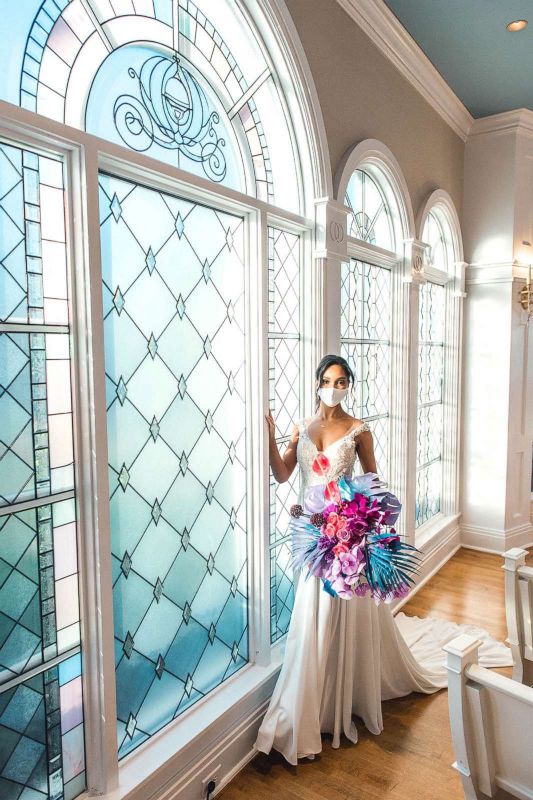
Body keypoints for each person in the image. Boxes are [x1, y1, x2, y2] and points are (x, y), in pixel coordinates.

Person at [254, 353, 512, 765]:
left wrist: (363, 527)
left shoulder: (358, 430)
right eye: (328, 380)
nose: (334, 388)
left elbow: (373, 484)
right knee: (312, 616)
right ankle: (311, 706)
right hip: (310, 537)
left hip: (347, 538)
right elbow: (284, 475)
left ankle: (341, 698)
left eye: (342, 382)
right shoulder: (302, 427)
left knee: (339, 616)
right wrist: (269, 437)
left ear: (349, 386)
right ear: (317, 382)